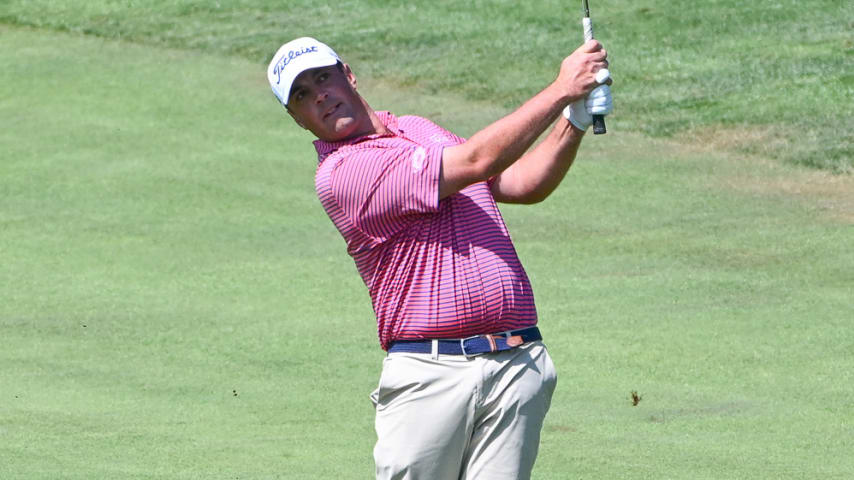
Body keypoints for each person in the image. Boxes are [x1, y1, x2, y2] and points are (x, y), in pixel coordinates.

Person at [267, 36, 612, 480]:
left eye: (322, 77)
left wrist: (574, 119)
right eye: (301, 95)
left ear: (347, 74)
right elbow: (477, 160)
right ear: (297, 119)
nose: (319, 95)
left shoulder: (419, 130)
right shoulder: (342, 175)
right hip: (431, 376)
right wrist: (563, 88)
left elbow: (521, 182)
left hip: (514, 362)